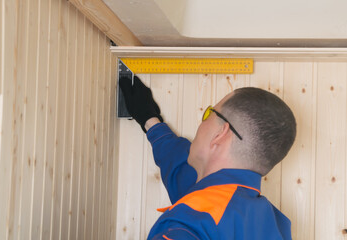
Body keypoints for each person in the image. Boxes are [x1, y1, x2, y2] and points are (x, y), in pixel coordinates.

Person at [120, 75, 296, 240]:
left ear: (221, 133)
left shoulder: (190, 223)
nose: (202, 122)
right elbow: (184, 172)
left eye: (208, 114)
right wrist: (150, 121)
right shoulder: (271, 221)